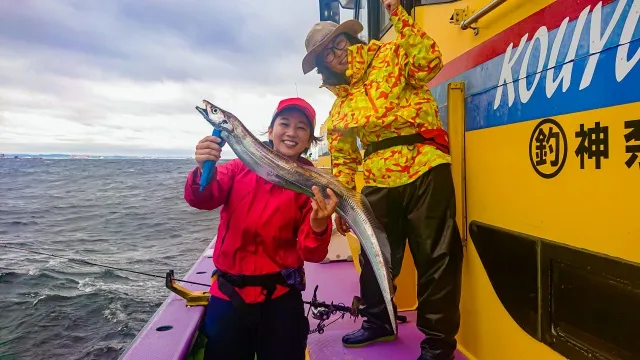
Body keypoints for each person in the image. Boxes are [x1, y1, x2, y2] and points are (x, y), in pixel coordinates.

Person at [301, 0, 463, 359]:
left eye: (338, 44)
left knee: (437, 259)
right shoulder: (340, 105)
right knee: (377, 257)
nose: (336, 55)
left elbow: (430, 63)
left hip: (425, 166)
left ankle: (438, 345)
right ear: (322, 66)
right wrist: (342, 204)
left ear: (349, 39)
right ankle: (378, 322)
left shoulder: (392, 55)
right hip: (377, 180)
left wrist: (399, 16)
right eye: (327, 54)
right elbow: (344, 158)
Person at [184, 97, 338, 360]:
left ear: (310, 140)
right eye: (284, 123)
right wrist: (203, 168)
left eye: (302, 127)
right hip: (229, 295)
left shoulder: (313, 185)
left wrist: (319, 223)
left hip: (281, 298)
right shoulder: (238, 167)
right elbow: (202, 199)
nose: (291, 132)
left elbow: (312, 254)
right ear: (270, 130)